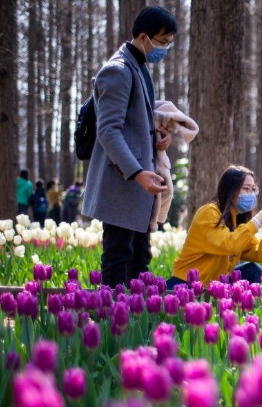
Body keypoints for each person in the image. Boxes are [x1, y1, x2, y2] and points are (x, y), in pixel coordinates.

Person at [82, 6, 176, 288]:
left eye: (170, 43)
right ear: (144, 37)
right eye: (162, 42)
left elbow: (131, 125)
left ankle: (133, 321)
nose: (165, 48)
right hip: (122, 184)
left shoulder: (140, 68)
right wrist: (137, 173)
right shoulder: (118, 70)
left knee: (139, 258)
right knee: (119, 257)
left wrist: (156, 137)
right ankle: (113, 325)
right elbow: (108, 131)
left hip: (138, 186)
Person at [168, 165, 262, 288]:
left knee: (253, 270)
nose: (251, 194)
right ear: (230, 190)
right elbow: (229, 244)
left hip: (214, 286)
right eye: (246, 188)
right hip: (185, 284)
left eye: (253, 189)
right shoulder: (208, 213)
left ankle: (234, 306)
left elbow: (261, 255)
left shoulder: (237, 220)